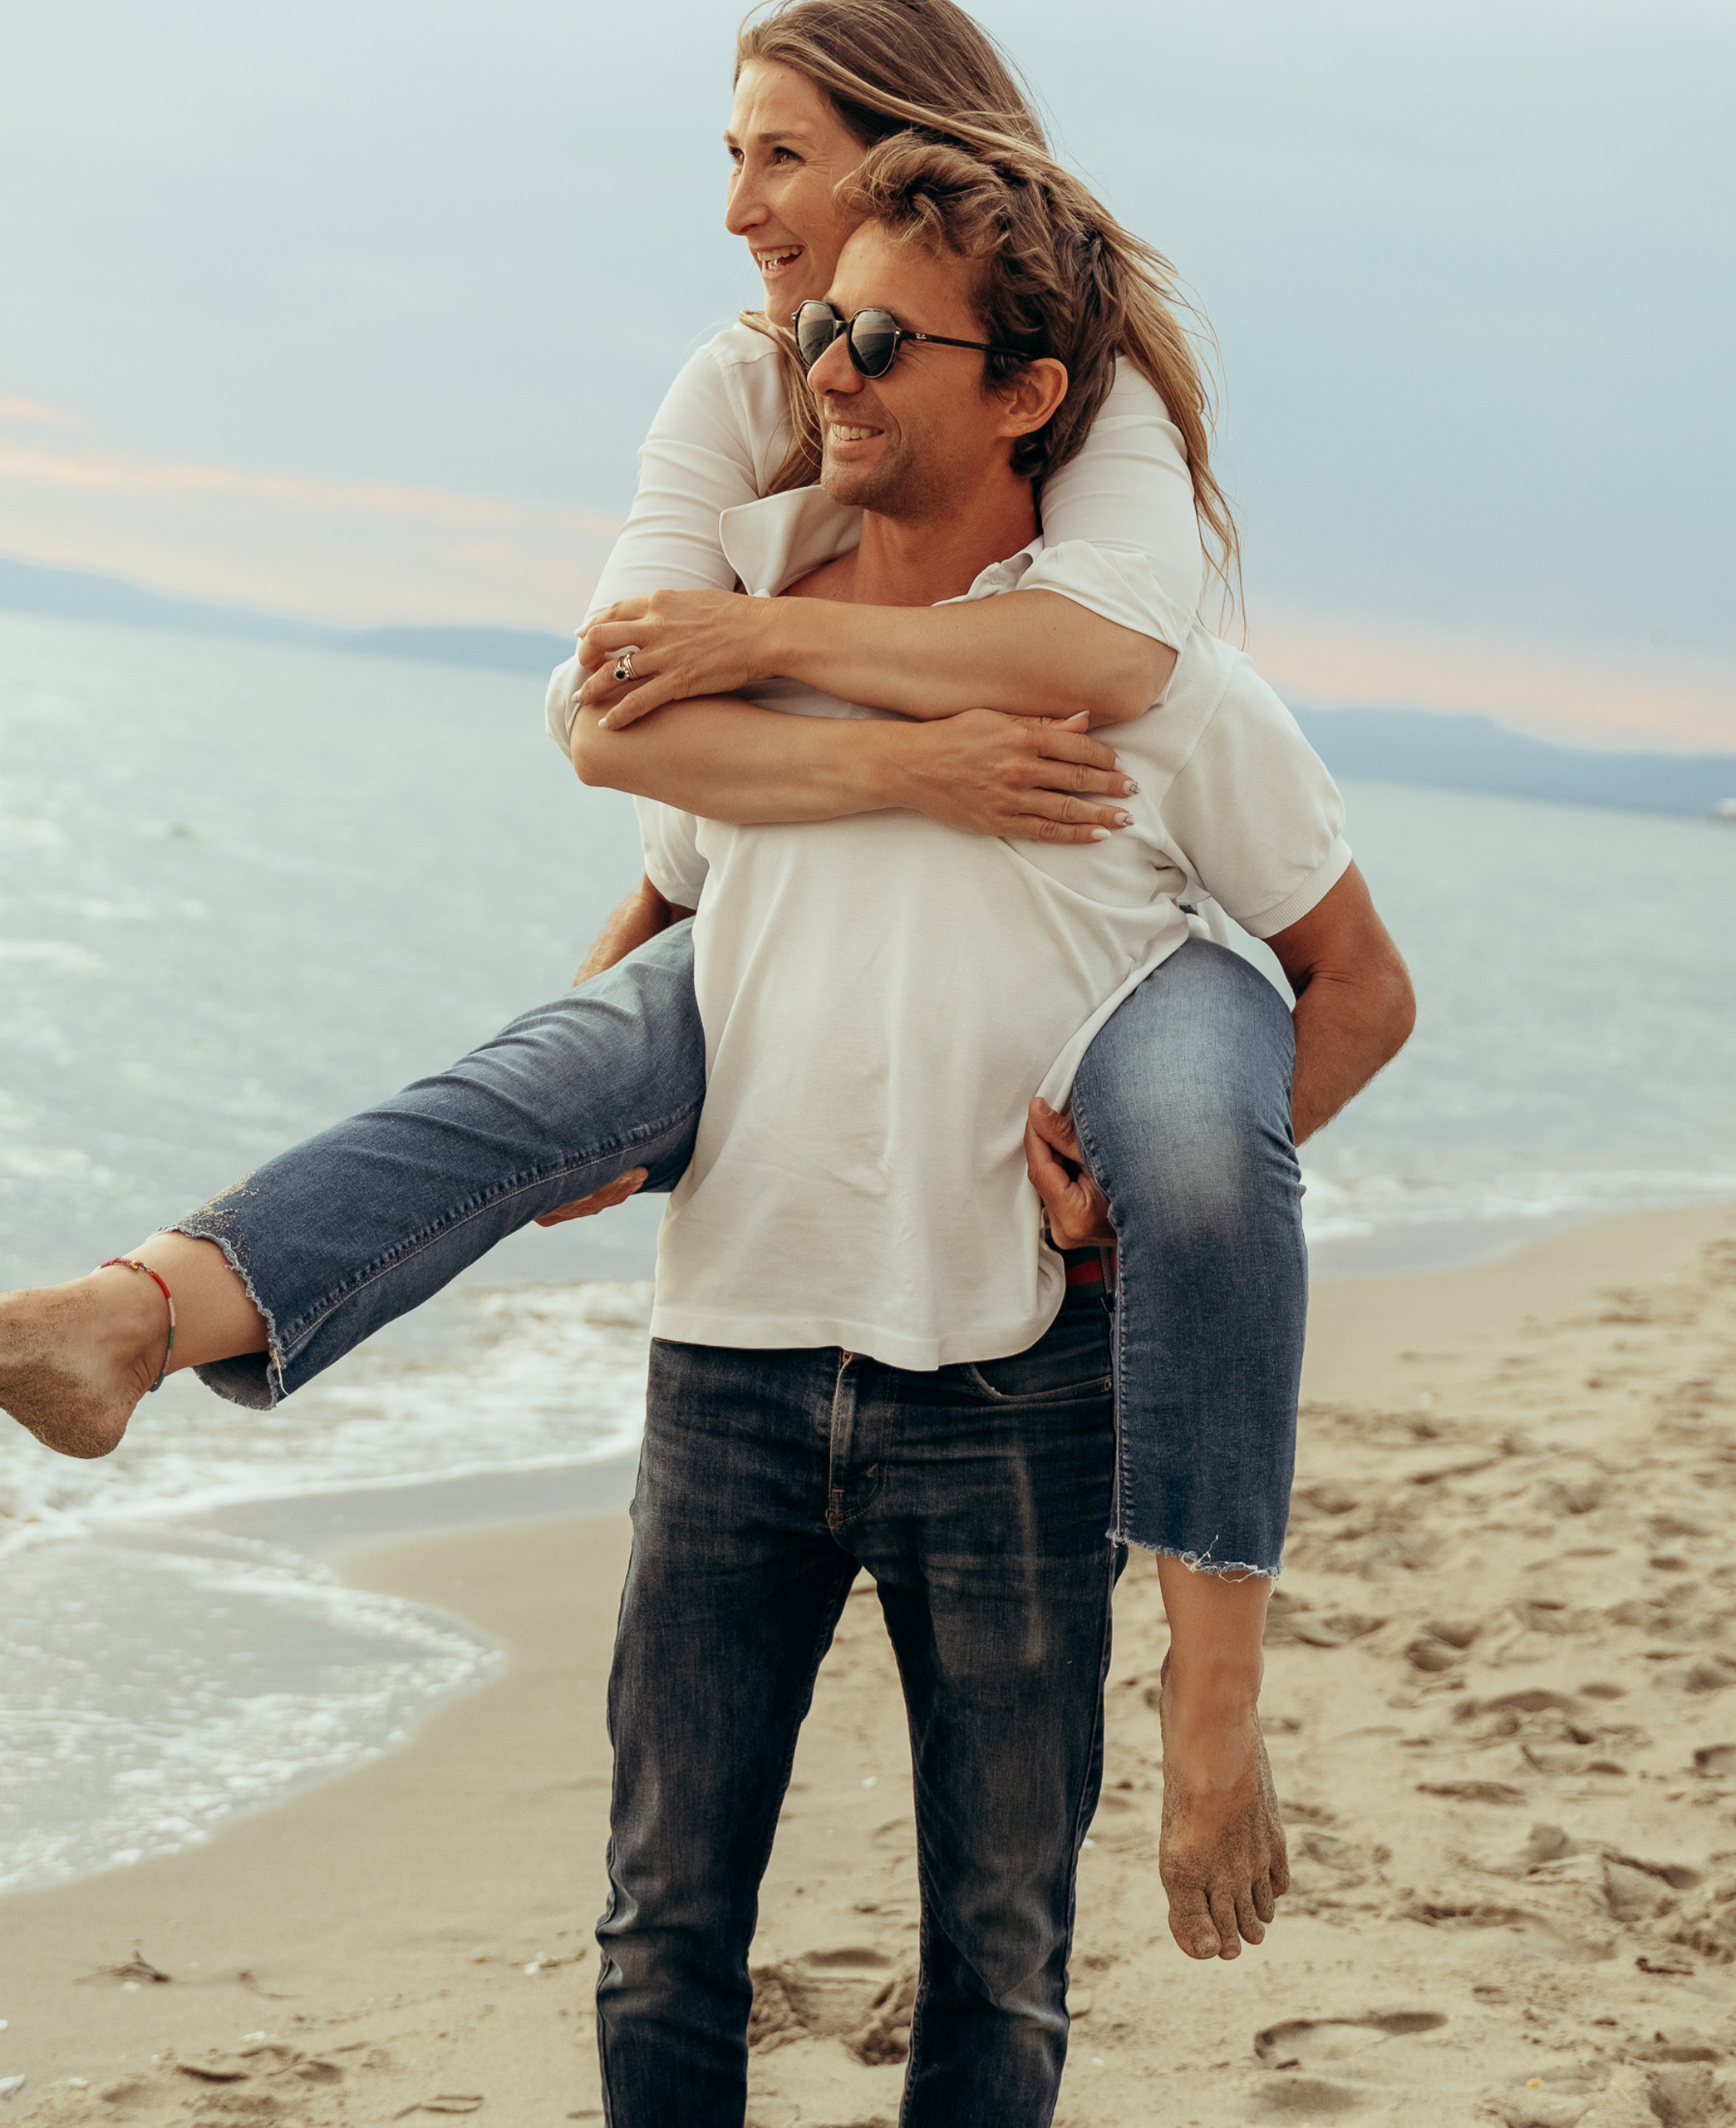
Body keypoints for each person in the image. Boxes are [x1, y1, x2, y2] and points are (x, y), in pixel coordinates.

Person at [0, 0, 1413, 1964]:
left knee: (1194, 1145)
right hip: (799, 993)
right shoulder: (746, 411)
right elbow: (612, 723)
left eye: (776, 158)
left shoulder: (1108, 410)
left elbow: (1113, 662)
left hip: (1133, 955)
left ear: (908, 170)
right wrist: (636, 1035)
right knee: (561, 1059)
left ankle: (1216, 1680)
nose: (743, 217)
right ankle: (139, 1312)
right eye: (728, 163)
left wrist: (764, 663)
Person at [581, 135, 1409, 2124]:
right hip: (732, 1360)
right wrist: (603, 1104)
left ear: (1027, 394)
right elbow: (670, 906)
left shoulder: (1163, 697)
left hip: (1011, 1391)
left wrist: (1130, 1216)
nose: (829, 371)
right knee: (661, 1922)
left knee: (1000, 1961)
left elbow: (1358, 987)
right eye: (816, 330)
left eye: (878, 337)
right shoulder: (745, 632)